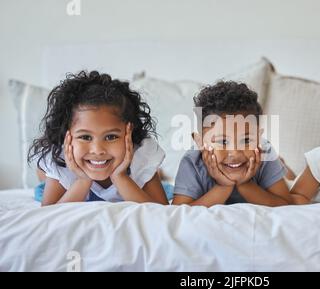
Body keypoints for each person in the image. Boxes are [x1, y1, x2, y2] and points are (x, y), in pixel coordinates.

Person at [28, 71, 168, 206]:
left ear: (129, 133)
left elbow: (162, 212)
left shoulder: (142, 159)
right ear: (67, 136)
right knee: (44, 181)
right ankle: (42, 173)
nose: (98, 150)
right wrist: (83, 181)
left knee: (161, 184)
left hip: (132, 177)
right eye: (85, 137)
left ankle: (161, 175)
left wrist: (120, 177)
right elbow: (48, 215)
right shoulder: (61, 161)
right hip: (68, 183)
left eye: (111, 136)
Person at [172, 81, 291, 207]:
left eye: (246, 140)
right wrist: (224, 186)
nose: (235, 153)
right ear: (200, 143)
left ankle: (285, 167)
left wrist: (244, 184)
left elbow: (286, 205)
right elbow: (180, 212)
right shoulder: (192, 162)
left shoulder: (265, 153)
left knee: (287, 175)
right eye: (222, 141)